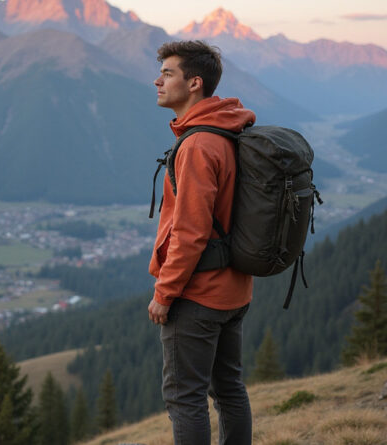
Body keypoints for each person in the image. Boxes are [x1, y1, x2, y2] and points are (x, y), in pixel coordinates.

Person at [147, 40, 255, 445]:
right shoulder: (228, 129)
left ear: (194, 83)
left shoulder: (196, 144)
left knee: (185, 398)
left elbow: (190, 233)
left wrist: (165, 292)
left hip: (197, 295)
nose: (157, 81)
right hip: (234, 289)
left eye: (168, 74)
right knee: (229, 390)